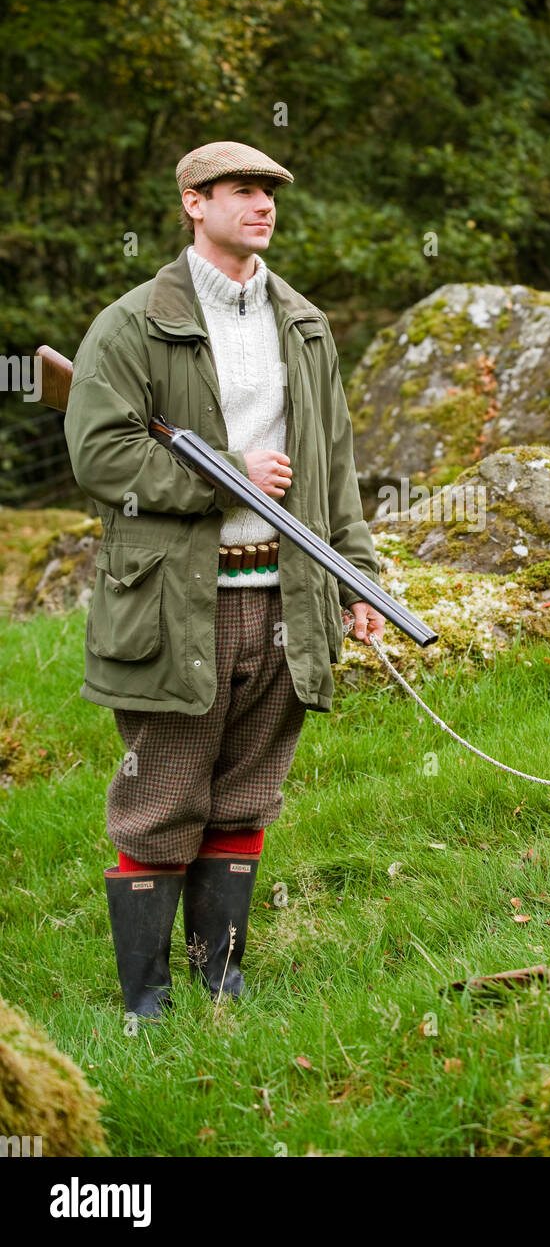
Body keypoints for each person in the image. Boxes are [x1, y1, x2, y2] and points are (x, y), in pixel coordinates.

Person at [64, 140, 385, 1018]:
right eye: (241, 191)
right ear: (192, 204)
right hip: (173, 606)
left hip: (288, 600)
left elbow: (332, 471)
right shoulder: (132, 322)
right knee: (161, 799)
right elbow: (99, 452)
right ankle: (145, 1007)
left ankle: (220, 987)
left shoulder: (303, 323)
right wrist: (224, 476)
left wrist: (357, 578)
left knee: (246, 793)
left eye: (270, 193)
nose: (263, 206)